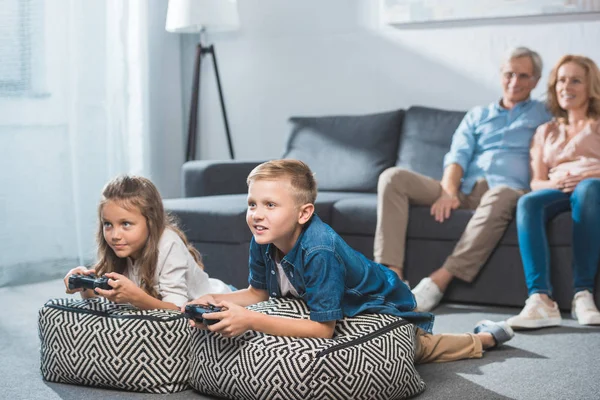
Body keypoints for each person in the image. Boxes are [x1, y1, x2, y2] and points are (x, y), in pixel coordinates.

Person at [185, 159, 514, 364]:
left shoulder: (319, 250)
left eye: (270, 205)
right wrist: (217, 299)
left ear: (304, 213)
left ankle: (485, 338)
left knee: (423, 349)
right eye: (252, 204)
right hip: (336, 302)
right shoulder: (265, 238)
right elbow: (257, 293)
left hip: (381, 304)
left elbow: (322, 329)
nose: (257, 214)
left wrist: (251, 321)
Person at [374, 47, 552, 312]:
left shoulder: (545, 114)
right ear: (501, 75)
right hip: (465, 187)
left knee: (501, 193)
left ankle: (438, 281)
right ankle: (393, 278)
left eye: (524, 76)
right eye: (510, 74)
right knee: (393, 177)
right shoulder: (478, 115)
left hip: (507, 190)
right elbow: (458, 155)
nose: (515, 82)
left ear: (536, 80)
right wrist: (448, 191)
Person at [507, 55, 600, 329]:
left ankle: (583, 294)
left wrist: (588, 175)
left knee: (588, 189)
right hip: (557, 189)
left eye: (575, 80)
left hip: (594, 187)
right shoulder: (545, 131)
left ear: (590, 86)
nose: (566, 86)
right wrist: (556, 185)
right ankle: (540, 300)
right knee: (528, 202)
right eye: (561, 80)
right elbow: (536, 181)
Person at [63, 175, 232, 310]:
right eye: (108, 224)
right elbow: (103, 303)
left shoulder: (168, 243)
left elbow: (178, 310)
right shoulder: (121, 249)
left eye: (125, 224)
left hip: (221, 299)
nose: (114, 235)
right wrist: (85, 285)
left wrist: (136, 297)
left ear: (150, 221)